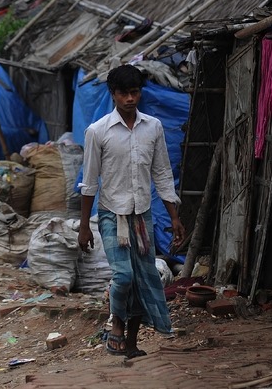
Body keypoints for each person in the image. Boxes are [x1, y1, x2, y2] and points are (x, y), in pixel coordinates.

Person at [78, 64, 184, 359]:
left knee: (144, 277)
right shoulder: (97, 132)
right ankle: (116, 326)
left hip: (143, 215)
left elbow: (163, 174)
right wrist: (84, 226)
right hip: (113, 214)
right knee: (124, 276)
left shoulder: (153, 127)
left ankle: (132, 342)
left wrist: (174, 217)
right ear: (113, 94)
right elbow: (88, 183)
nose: (130, 99)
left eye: (134, 92)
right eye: (123, 93)